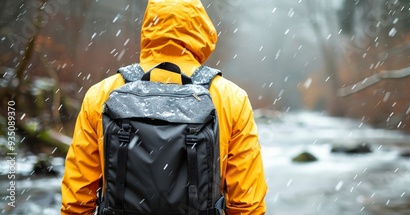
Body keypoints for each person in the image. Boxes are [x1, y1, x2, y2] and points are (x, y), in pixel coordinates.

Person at [60, 0, 268, 214]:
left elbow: (77, 196)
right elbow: (247, 202)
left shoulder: (102, 93)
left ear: (148, 27)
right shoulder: (230, 98)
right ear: (203, 30)